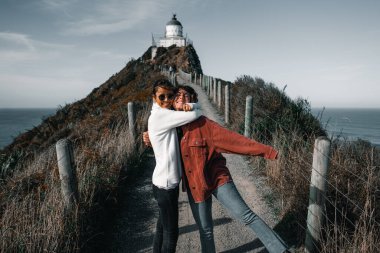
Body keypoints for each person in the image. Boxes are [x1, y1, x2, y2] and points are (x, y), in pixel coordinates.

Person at [144, 85, 289, 253]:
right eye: (177, 95)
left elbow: (236, 141)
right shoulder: (171, 127)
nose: (181, 97)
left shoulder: (204, 124)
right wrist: (147, 138)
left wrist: (268, 152)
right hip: (196, 186)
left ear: (192, 100)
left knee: (246, 216)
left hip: (218, 179)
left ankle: (280, 250)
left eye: (186, 95)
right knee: (206, 231)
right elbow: (160, 142)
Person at [148, 79, 202, 253]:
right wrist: (193, 106)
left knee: (162, 227)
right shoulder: (162, 115)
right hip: (166, 185)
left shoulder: (161, 113)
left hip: (161, 183)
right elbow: (196, 114)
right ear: (153, 97)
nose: (165, 100)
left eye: (169, 96)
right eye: (161, 96)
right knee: (172, 234)